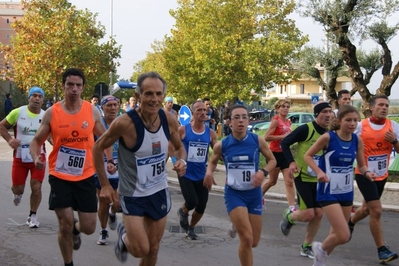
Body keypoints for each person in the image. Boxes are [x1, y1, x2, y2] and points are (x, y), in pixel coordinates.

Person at [93, 71, 187, 264]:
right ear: (138, 96)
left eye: (158, 94)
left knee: (153, 250)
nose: (154, 99)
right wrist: (104, 185)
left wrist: (182, 161)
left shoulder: (169, 119)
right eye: (149, 94)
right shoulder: (124, 123)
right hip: (132, 194)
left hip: (158, 191)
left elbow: (179, 148)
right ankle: (125, 238)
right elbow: (97, 147)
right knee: (140, 249)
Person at [29, 68, 116, 266]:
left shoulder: (91, 111)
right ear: (63, 86)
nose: (74, 89)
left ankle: (76, 231)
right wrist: (36, 157)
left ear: (83, 88)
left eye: (78, 85)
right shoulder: (52, 113)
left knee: (88, 226)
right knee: (65, 224)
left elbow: (105, 140)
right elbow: (36, 141)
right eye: (70, 85)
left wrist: (110, 161)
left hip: (85, 174)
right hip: (60, 175)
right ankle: (68, 263)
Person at [203, 104, 276, 266]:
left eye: (244, 117)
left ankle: (236, 224)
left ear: (248, 120)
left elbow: (273, 160)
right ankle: (238, 223)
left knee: (254, 241)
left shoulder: (257, 141)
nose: (241, 121)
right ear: (229, 122)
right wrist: (209, 173)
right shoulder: (222, 145)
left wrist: (262, 172)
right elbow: (212, 162)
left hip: (254, 194)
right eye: (237, 117)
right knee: (247, 239)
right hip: (234, 193)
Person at [304, 105, 376, 266]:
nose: (352, 124)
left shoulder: (357, 140)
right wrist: (319, 172)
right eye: (348, 120)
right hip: (328, 191)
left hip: (346, 191)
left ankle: (319, 261)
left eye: (355, 121)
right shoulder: (328, 138)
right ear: (339, 121)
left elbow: (361, 165)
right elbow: (307, 156)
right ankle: (319, 247)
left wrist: (367, 173)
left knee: (335, 233)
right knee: (344, 235)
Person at [279, 101, 333, 259]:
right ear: (317, 114)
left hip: (320, 179)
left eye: (330, 111)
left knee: (319, 214)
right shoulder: (306, 129)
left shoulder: (330, 133)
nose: (328, 115)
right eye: (325, 112)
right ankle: (290, 216)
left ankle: (306, 246)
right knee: (309, 214)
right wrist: (291, 162)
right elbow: (285, 142)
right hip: (302, 176)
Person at [349, 95, 399, 264]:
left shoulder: (393, 126)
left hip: (382, 175)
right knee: (376, 210)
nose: (384, 108)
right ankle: (382, 250)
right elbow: (346, 142)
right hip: (364, 173)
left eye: (387, 105)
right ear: (371, 107)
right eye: (381, 105)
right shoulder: (360, 126)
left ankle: (351, 221)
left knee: (367, 209)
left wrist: (395, 141)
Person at [0, 87, 47, 228]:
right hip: (20, 157)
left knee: (36, 186)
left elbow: (51, 135)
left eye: (40, 96)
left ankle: (32, 215)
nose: (37, 98)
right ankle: (18, 194)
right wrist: (9, 140)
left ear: (43, 100)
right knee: (18, 188)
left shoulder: (46, 116)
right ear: (29, 98)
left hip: (38, 158)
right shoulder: (18, 112)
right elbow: (2, 126)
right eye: (34, 96)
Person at [176, 100, 217, 240]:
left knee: (201, 206)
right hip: (186, 173)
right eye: (199, 110)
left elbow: (216, 154)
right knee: (192, 201)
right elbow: (174, 147)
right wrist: (178, 163)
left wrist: (211, 171)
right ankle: (183, 211)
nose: (202, 112)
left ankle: (191, 227)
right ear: (192, 113)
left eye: (204, 110)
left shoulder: (210, 133)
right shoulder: (183, 130)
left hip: (202, 174)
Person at [95, 95, 121, 245]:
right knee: (104, 201)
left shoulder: (123, 123)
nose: (112, 108)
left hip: (119, 167)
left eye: (114, 105)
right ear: (103, 108)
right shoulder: (98, 124)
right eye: (108, 105)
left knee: (116, 203)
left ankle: (113, 213)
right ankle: (103, 230)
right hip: (100, 167)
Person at [261, 99, 296, 211]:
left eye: (287, 106)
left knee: (289, 181)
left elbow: (288, 137)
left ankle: (291, 208)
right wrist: (282, 137)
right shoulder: (275, 121)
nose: (286, 108)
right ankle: (257, 197)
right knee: (272, 181)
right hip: (274, 154)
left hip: (285, 154)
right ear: (277, 109)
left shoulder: (288, 122)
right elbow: (266, 138)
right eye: (283, 106)